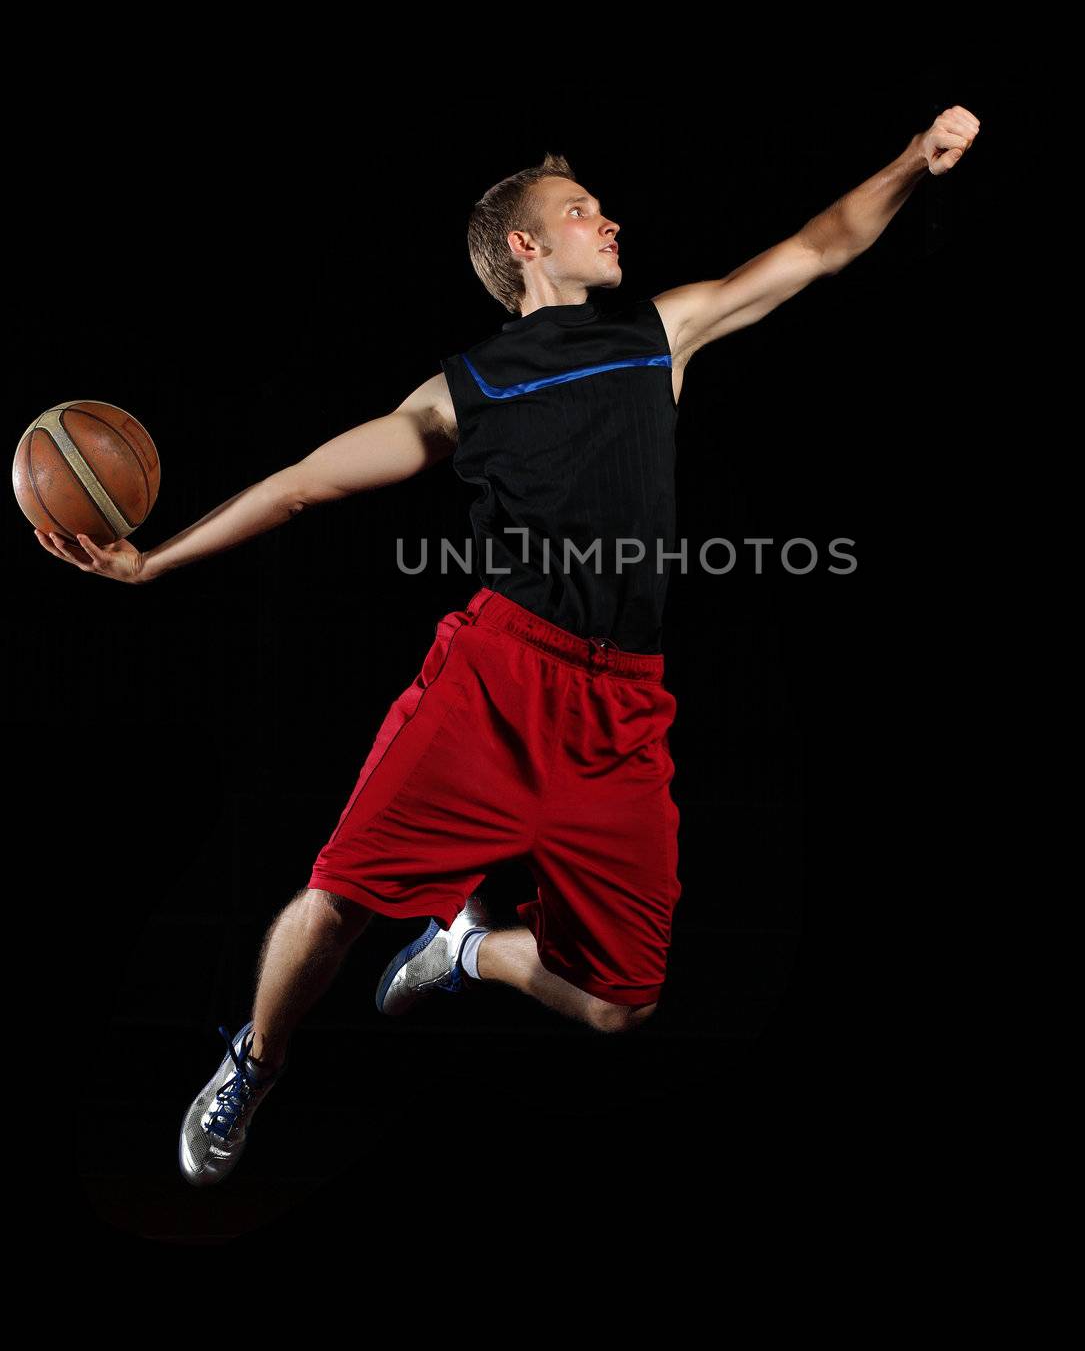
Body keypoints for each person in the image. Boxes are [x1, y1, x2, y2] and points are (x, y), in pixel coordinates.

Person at [35, 106, 980, 1187]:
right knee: (337, 898)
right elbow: (300, 483)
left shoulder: (656, 333)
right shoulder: (461, 393)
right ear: (524, 246)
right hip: (494, 679)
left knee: (625, 1005)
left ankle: (470, 948)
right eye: (581, 212)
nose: (609, 220)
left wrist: (913, 159)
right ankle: (255, 1058)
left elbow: (819, 247)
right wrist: (152, 563)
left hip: (622, 707)